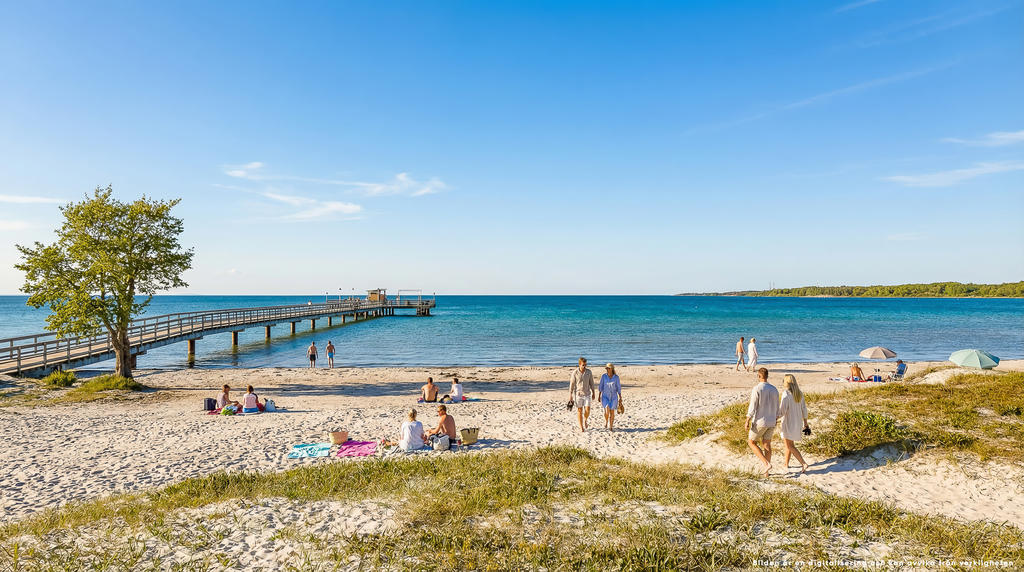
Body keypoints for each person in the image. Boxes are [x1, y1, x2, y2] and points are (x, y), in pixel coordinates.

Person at [744, 367, 779, 476]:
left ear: (759, 376)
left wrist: (747, 419)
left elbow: (753, 406)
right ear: (767, 376)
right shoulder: (774, 389)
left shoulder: (757, 388)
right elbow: (777, 406)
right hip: (772, 421)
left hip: (760, 421)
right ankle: (766, 472)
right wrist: (776, 418)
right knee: (767, 444)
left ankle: (766, 464)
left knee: (751, 442)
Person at [778, 374, 809, 473]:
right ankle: (786, 464)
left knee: (789, 445)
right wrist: (805, 423)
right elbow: (804, 409)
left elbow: (782, 411)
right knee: (789, 444)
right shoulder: (799, 393)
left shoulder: (786, 393)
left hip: (788, 422)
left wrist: (774, 417)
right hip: (798, 422)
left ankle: (803, 463)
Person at [569, 357, 595, 432]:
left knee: (587, 410)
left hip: (587, 394)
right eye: (583, 365)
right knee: (579, 410)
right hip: (578, 394)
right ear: (579, 364)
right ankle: (581, 427)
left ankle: (585, 419)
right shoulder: (575, 373)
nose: (584, 366)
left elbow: (592, 383)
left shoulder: (589, 372)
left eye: (585, 365)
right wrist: (570, 395)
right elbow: (572, 384)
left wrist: (593, 392)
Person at [599, 363, 622, 431]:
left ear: (612, 369)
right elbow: (601, 386)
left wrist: (620, 397)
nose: (607, 369)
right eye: (606, 368)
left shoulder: (616, 377)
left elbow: (618, 387)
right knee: (606, 411)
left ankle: (611, 427)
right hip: (605, 396)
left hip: (614, 397)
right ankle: (606, 421)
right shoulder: (604, 376)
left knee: (612, 412)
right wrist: (599, 395)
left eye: (608, 368)